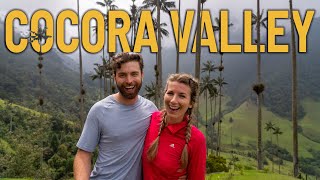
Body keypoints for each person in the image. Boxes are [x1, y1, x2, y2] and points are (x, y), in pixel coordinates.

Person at [73, 52, 158, 179]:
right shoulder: (99, 110)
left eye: (134, 74)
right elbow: (83, 154)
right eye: (122, 75)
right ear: (115, 77)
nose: (129, 81)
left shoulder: (151, 110)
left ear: (142, 75)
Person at [142, 73, 207, 180]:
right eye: (170, 93)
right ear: (164, 94)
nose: (173, 100)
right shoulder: (152, 119)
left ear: (191, 103)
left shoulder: (197, 139)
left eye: (182, 96)